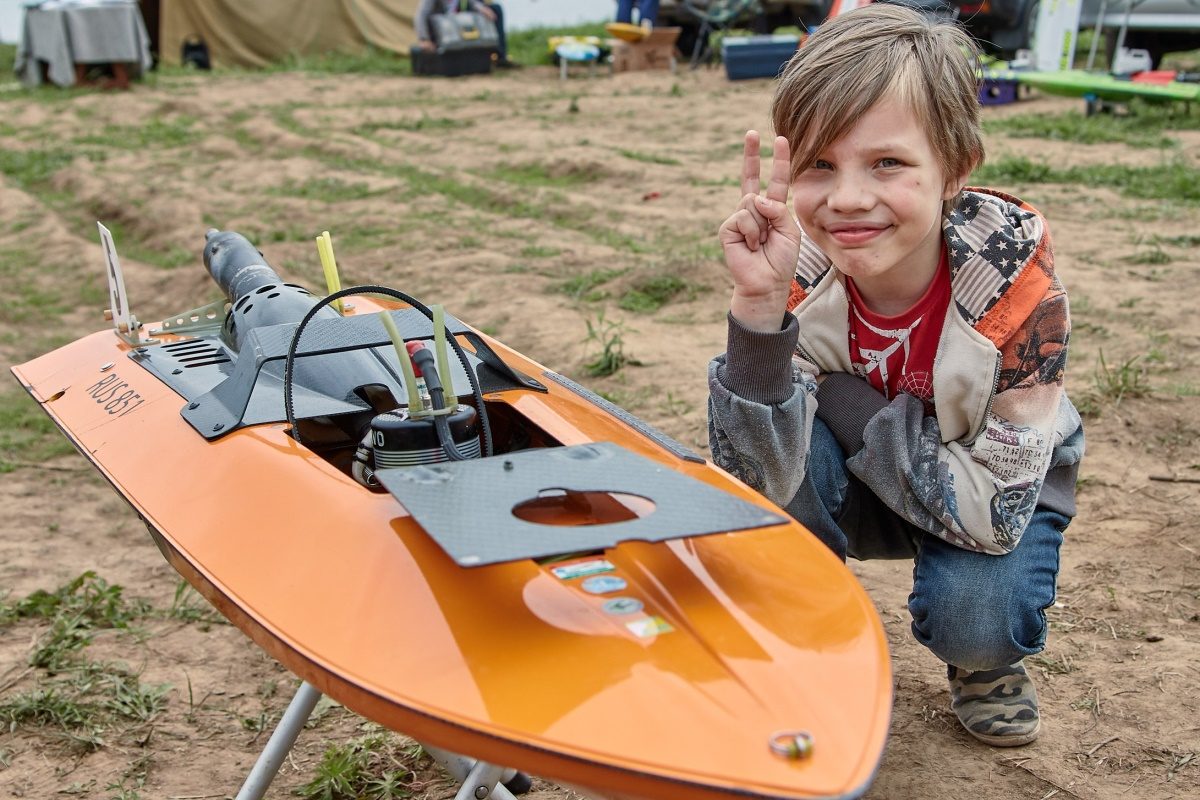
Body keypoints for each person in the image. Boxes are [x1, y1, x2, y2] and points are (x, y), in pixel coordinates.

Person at [707, 4, 1085, 748]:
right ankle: (807, 640)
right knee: (782, 465)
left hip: (987, 490)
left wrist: (845, 400)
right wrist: (756, 314)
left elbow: (991, 514)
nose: (846, 197)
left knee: (975, 622)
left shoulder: (1017, 294)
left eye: (887, 163)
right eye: (819, 164)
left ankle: (986, 665)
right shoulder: (795, 271)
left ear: (955, 168)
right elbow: (751, 485)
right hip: (874, 476)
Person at [415, 0, 517, 68]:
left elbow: (472, 2)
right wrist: (424, 39)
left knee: (495, 8)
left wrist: (482, 9)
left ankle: (499, 56)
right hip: (441, 32)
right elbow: (421, 16)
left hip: (457, 28)